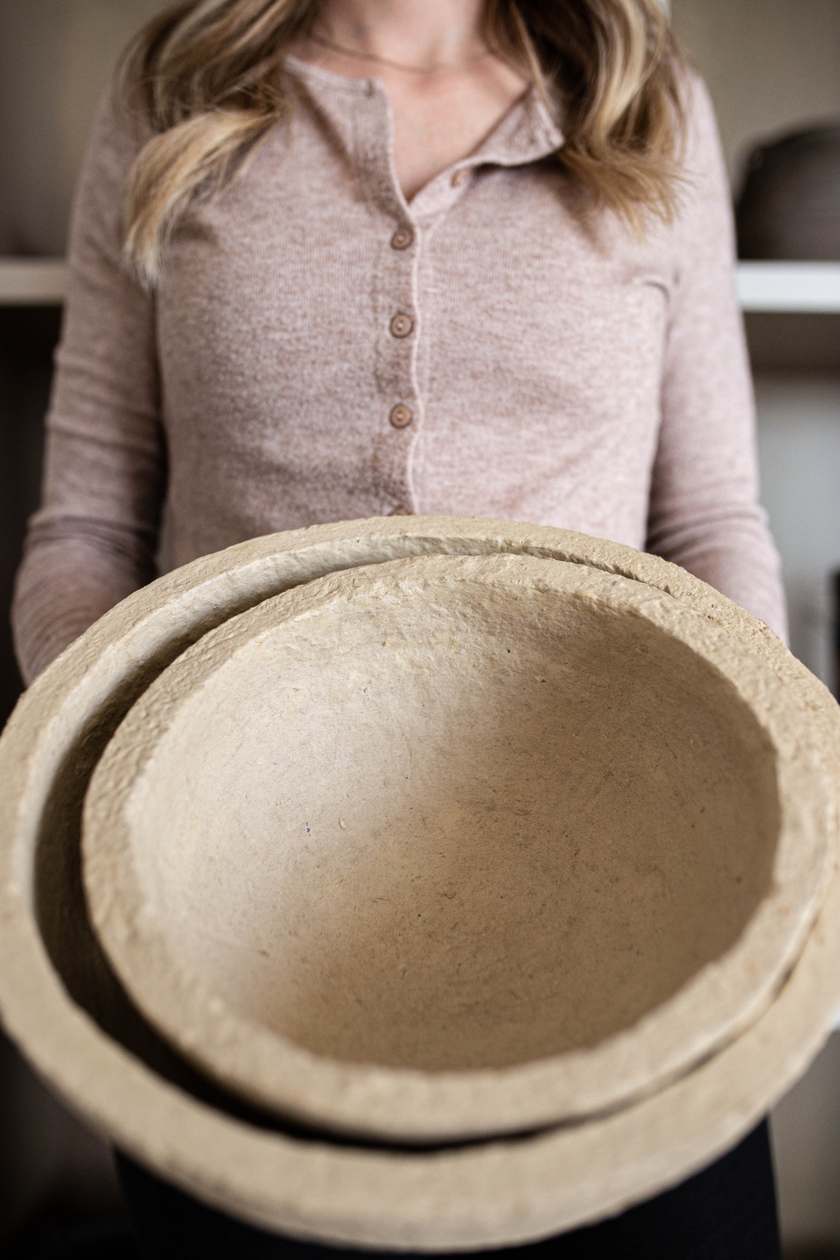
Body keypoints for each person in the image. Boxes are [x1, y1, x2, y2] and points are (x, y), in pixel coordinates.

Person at [12, 0, 786, 1255]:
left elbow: (711, 523)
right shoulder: (174, 91)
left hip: (641, 902)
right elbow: (85, 529)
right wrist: (131, 770)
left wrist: (766, 780)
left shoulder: (639, 97)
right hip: (232, 930)